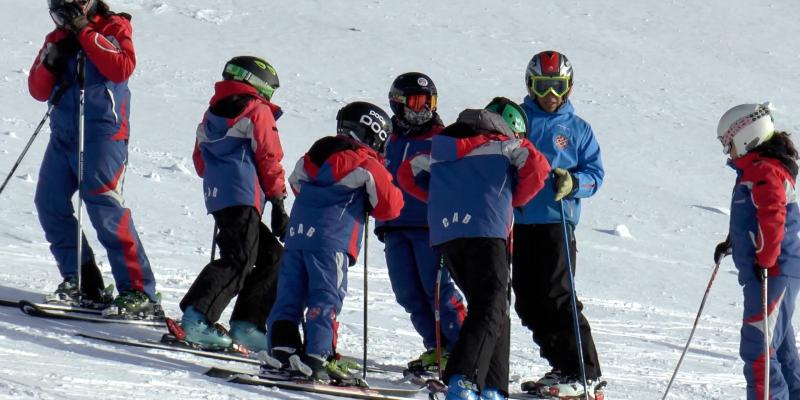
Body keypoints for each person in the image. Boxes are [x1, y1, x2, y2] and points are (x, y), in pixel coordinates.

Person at [399, 98, 550, 400]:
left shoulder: (442, 147)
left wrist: (443, 198)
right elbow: (538, 167)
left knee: (494, 307)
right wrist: (512, 200)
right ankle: (462, 380)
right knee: (491, 306)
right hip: (485, 230)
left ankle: (493, 387)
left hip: (447, 233)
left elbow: (407, 172)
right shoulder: (504, 145)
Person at [28, 0, 160, 315]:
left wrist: (85, 31)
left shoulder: (113, 26)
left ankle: (140, 291)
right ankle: (84, 282)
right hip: (64, 134)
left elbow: (122, 66)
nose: (62, 13)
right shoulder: (57, 37)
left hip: (101, 133)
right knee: (49, 203)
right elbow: (37, 90)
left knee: (104, 207)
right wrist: (51, 61)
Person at [267, 101, 404, 382]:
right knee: (325, 296)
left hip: (298, 236)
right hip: (331, 241)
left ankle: (281, 351)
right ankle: (318, 357)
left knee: (289, 296)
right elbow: (390, 206)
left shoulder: (314, 155)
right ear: (374, 132)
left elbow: (296, 183)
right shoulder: (366, 163)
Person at [179, 56, 289, 351]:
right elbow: (268, 156)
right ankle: (196, 319)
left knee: (272, 256)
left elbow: (200, 160)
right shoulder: (257, 109)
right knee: (239, 259)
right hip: (242, 194)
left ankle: (246, 324)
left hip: (221, 196)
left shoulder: (213, 112)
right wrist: (278, 202)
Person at [512, 50, 605, 398]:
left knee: (558, 296)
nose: (550, 95)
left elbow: (596, 174)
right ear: (530, 85)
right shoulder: (518, 120)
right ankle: (561, 364)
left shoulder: (578, 129)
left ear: (568, 87)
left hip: (556, 223)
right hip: (520, 224)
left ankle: (585, 371)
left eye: (557, 86)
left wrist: (574, 183)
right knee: (526, 300)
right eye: (543, 86)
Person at [376, 72, 466, 372]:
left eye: (429, 102)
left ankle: (463, 349)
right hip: (394, 227)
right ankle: (436, 347)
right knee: (407, 293)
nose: (423, 109)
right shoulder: (386, 139)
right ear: (398, 104)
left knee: (437, 290)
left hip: (430, 228)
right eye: (415, 102)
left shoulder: (442, 138)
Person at [713, 103, 800, 400]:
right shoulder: (760, 168)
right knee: (781, 348)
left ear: (747, 136)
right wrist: (733, 243)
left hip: (772, 272)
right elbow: (757, 215)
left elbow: (774, 215)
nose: (729, 152)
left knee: (759, 346)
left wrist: (764, 260)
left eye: (730, 144)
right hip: (776, 270)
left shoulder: (763, 170)